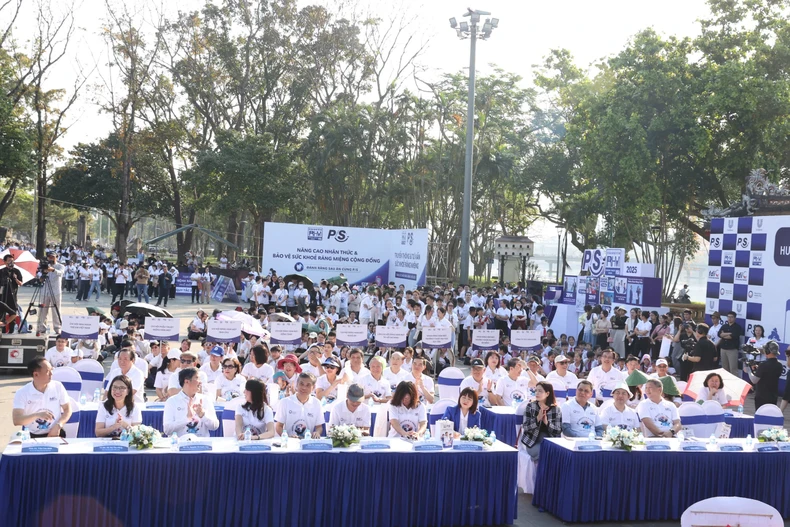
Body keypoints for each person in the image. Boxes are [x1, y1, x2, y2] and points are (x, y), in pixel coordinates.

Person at [12, 358, 72, 438]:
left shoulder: (58, 386)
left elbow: (67, 409)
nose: (51, 373)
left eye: (52, 370)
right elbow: (17, 420)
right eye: (48, 371)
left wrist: (59, 425)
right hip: (32, 435)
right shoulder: (22, 392)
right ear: (36, 374)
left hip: (55, 432)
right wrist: (37, 415)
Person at [163, 367, 219, 437]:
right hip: (180, 445)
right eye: (197, 378)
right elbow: (167, 430)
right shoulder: (172, 401)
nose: (200, 382)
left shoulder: (205, 399)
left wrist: (203, 415)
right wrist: (187, 419)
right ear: (187, 381)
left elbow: (215, 426)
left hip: (202, 444)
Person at [520, 381, 562, 461]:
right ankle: (542, 473)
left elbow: (558, 431)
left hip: (549, 442)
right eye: (536, 390)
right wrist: (537, 419)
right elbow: (525, 427)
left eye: (540, 391)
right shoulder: (530, 406)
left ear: (547, 393)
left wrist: (547, 423)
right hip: (532, 442)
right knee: (545, 453)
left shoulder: (556, 409)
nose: (537, 393)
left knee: (556, 453)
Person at [275, 372, 324, 438]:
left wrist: (317, 433)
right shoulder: (285, 402)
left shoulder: (317, 403)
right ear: (296, 384)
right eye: (301, 384)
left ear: (313, 387)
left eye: (308, 385)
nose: (304, 387)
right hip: (289, 443)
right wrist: (288, 437)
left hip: (308, 442)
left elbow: (319, 427)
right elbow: (278, 426)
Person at [746, 340, 783, 410]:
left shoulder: (763, 365)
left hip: (761, 397)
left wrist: (748, 370)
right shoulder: (779, 365)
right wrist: (758, 369)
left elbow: (754, 380)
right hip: (773, 397)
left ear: (768, 351)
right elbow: (769, 374)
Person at [37, 251, 64, 335]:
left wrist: (52, 270)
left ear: (57, 257)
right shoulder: (44, 266)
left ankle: (57, 327)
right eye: (49, 256)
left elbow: (60, 273)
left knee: (56, 310)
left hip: (56, 291)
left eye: (53, 256)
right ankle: (42, 327)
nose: (51, 258)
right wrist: (44, 272)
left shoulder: (60, 266)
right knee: (42, 310)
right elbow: (40, 279)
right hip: (45, 291)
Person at [718, 311, 743, 377]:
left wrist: (724, 334)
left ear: (734, 318)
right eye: (728, 317)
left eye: (731, 317)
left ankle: (734, 385)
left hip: (732, 350)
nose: (729, 318)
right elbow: (719, 334)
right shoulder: (724, 326)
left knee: (733, 368)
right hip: (723, 349)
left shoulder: (737, 327)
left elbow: (732, 336)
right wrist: (729, 333)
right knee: (724, 368)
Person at [0, 254, 23, 328]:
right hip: (2, 295)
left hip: (12, 295)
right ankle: (2, 327)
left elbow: (21, 283)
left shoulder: (16, 271)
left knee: (13, 312)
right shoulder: (2, 271)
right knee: (2, 312)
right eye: (9, 261)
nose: (11, 262)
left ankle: (11, 328)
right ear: (4, 262)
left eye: (12, 261)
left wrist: (15, 278)